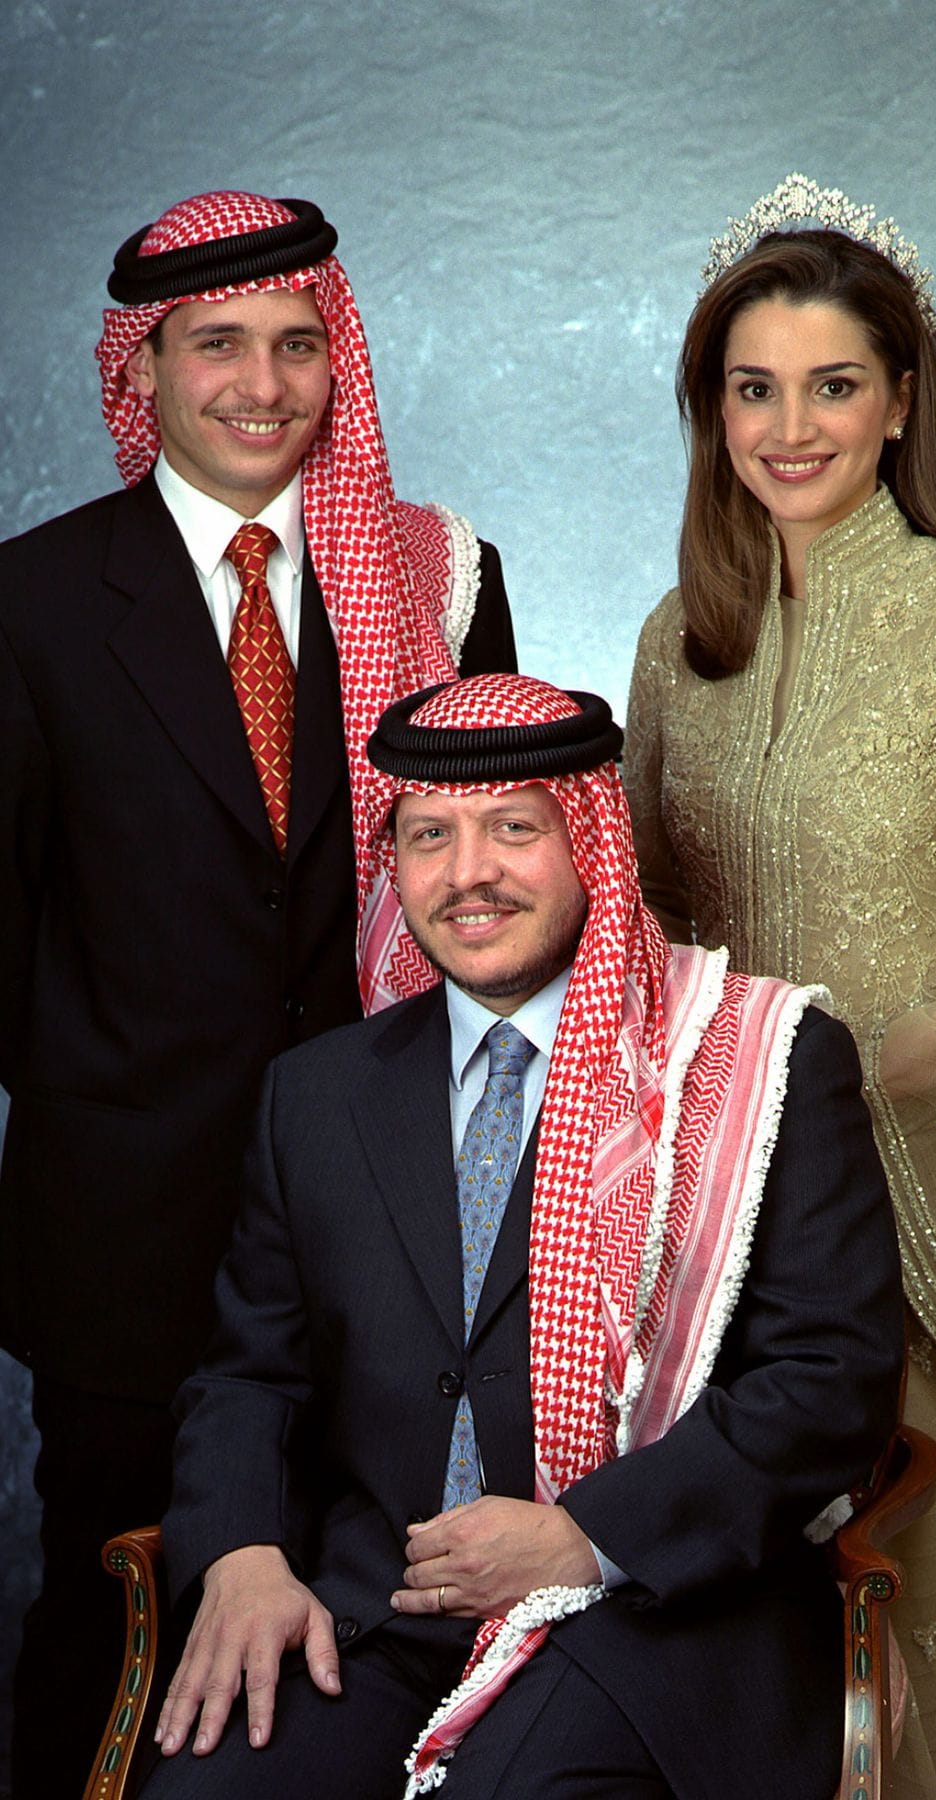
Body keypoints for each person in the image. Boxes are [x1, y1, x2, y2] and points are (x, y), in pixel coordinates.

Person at [132, 671, 903, 1800]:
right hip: (376, 1621)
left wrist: (584, 1536)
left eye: (513, 828)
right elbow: (250, 1374)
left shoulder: (757, 1062)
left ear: (589, 840)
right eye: (430, 835)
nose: (468, 873)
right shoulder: (318, 1094)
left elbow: (831, 1379)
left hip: (648, 1621)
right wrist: (242, 1552)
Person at [0, 189, 516, 1798]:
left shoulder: (429, 583)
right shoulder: (28, 605)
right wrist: (115, 1094)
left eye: (298, 343)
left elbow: (496, 886)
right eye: (217, 344)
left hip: (394, 1225)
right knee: (111, 1641)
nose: (262, 383)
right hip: (124, 1239)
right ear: (143, 369)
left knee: (370, 1633)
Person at [623, 173, 936, 1800]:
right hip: (718, 1217)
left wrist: (886, 1066)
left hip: (927, 1201)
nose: (790, 427)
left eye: (832, 386)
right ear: (713, 410)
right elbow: (645, 926)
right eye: (753, 389)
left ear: (900, 401)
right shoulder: (682, 637)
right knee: (742, 1629)